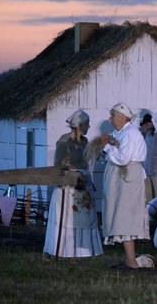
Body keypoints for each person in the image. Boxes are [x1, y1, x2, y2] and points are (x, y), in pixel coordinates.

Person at [43, 109, 103, 259]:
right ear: (79, 125)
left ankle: (82, 250)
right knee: (68, 219)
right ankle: (65, 251)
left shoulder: (84, 142)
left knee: (85, 218)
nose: (89, 126)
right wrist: (74, 175)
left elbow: (88, 159)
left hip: (83, 184)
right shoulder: (64, 142)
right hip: (69, 185)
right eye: (87, 124)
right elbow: (59, 166)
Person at [101, 102, 150, 270]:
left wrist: (107, 146)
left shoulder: (130, 133)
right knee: (121, 215)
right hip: (122, 178)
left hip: (127, 177)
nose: (110, 118)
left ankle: (131, 261)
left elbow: (123, 159)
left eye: (112, 115)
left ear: (123, 118)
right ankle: (130, 260)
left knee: (126, 216)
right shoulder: (121, 132)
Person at [141, 113, 155, 202]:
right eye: (146, 125)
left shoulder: (155, 137)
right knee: (146, 196)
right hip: (143, 171)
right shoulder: (139, 137)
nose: (148, 127)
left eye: (150, 125)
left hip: (154, 171)